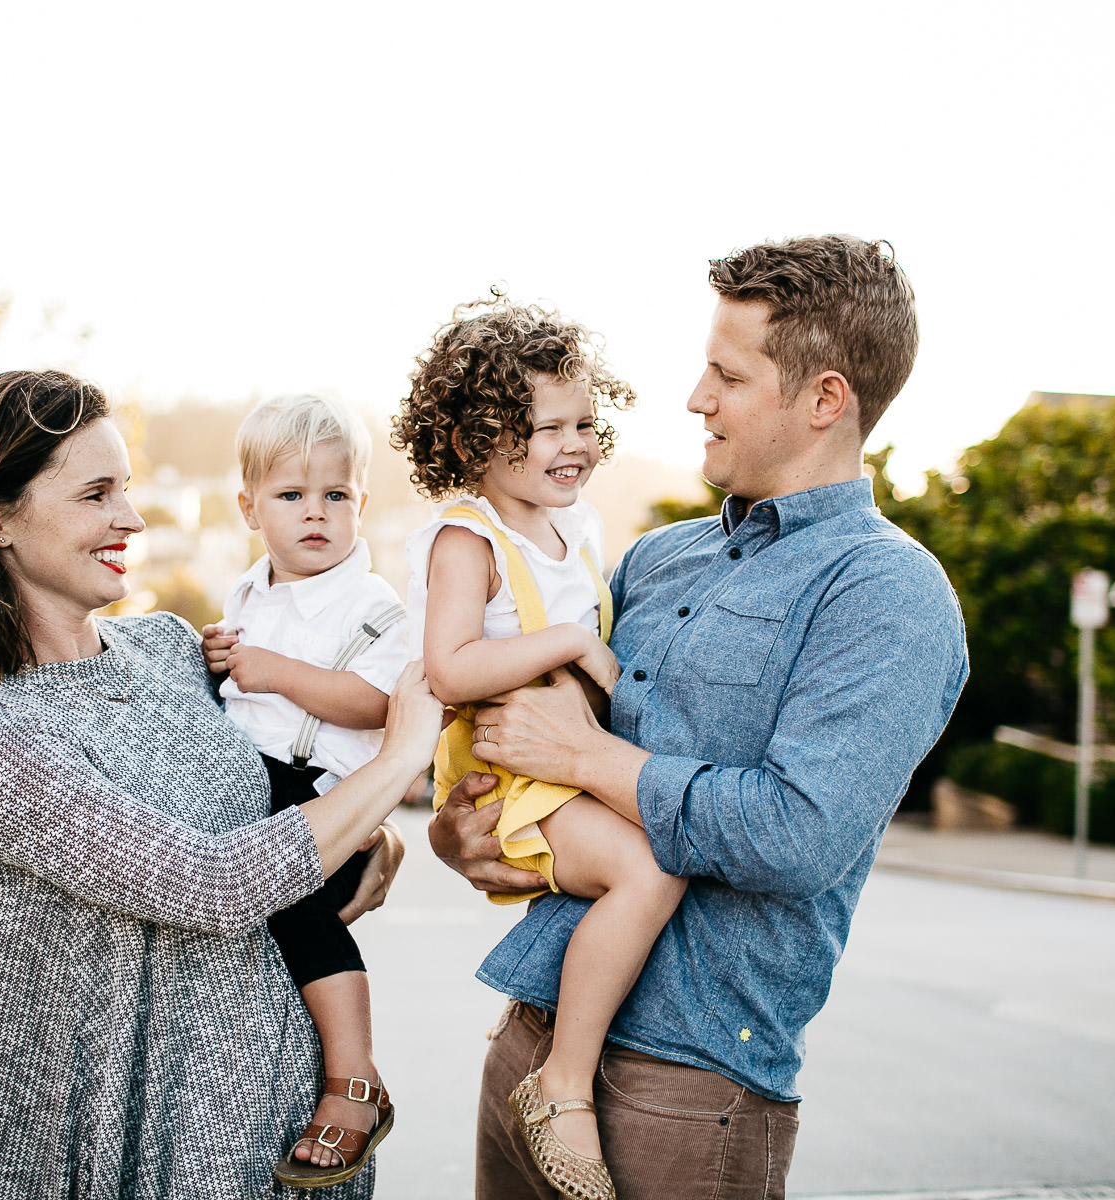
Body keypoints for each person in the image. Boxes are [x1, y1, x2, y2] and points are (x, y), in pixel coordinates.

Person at [431, 237, 970, 1199]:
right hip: (528, 1035)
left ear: (825, 400)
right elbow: (526, 754)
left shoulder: (887, 592)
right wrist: (460, 830)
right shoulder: (656, 559)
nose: (695, 398)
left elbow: (798, 834)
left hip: (686, 1083)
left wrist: (592, 759)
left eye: (728, 374)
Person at [0, 369, 442, 1200]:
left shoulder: (169, 649)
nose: (130, 518)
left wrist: (367, 838)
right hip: (129, 1141)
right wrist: (397, 763)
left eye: (125, 489)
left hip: (287, 1133)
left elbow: (273, 813)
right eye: (96, 494)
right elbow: (214, 882)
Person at [392, 297, 684, 1200]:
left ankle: (545, 1031)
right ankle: (561, 1085)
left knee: (653, 854)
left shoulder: (582, 531)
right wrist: (570, 645)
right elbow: (448, 666)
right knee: (649, 870)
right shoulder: (465, 539)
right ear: (476, 443)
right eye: (542, 427)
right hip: (508, 777)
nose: (574, 444)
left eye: (584, 422)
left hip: (565, 763)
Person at [200, 394, 409, 1187]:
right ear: (250, 508)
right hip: (256, 789)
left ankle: (354, 1081)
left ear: (362, 503)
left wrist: (275, 671)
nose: (314, 514)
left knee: (295, 904)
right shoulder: (248, 594)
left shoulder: (373, 603)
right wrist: (223, 655)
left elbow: (378, 703)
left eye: (335, 496)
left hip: (327, 800)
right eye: (291, 496)